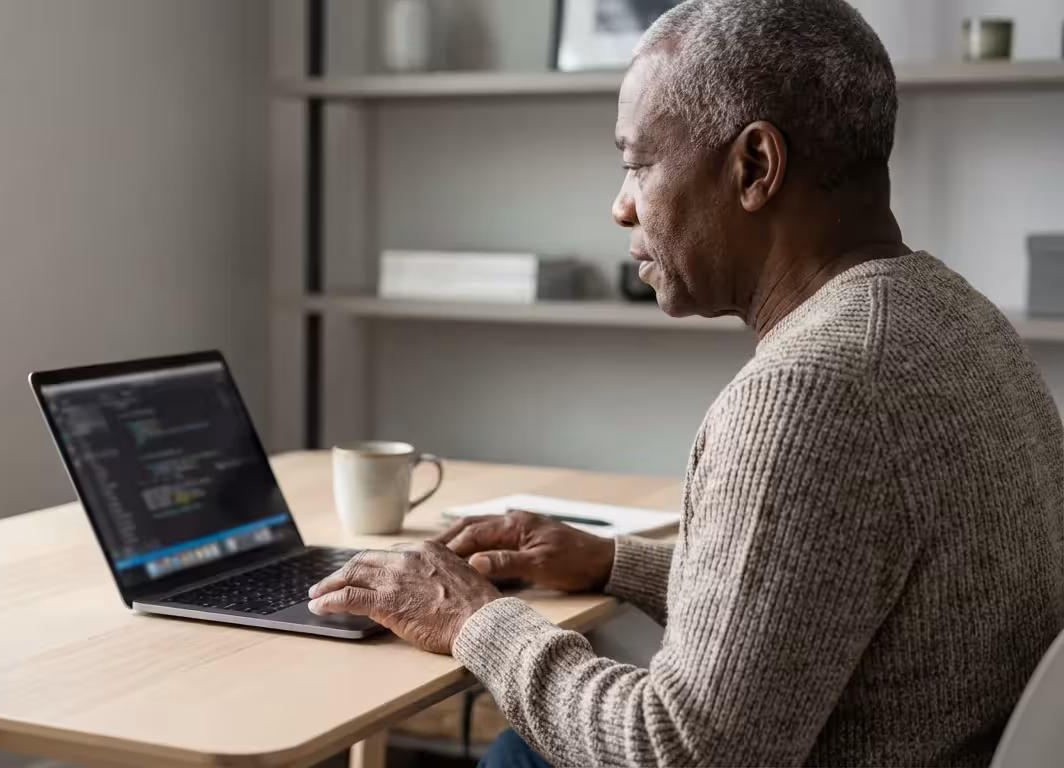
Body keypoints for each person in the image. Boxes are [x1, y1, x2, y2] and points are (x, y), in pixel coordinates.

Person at [305, 0, 1064, 765]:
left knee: (517, 757)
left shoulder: (810, 390)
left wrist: (470, 618)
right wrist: (612, 563)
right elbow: (827, 595)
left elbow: (681, 751)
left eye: (637, 162)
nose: (620, 204)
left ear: (755, 167)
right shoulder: (955, 314)